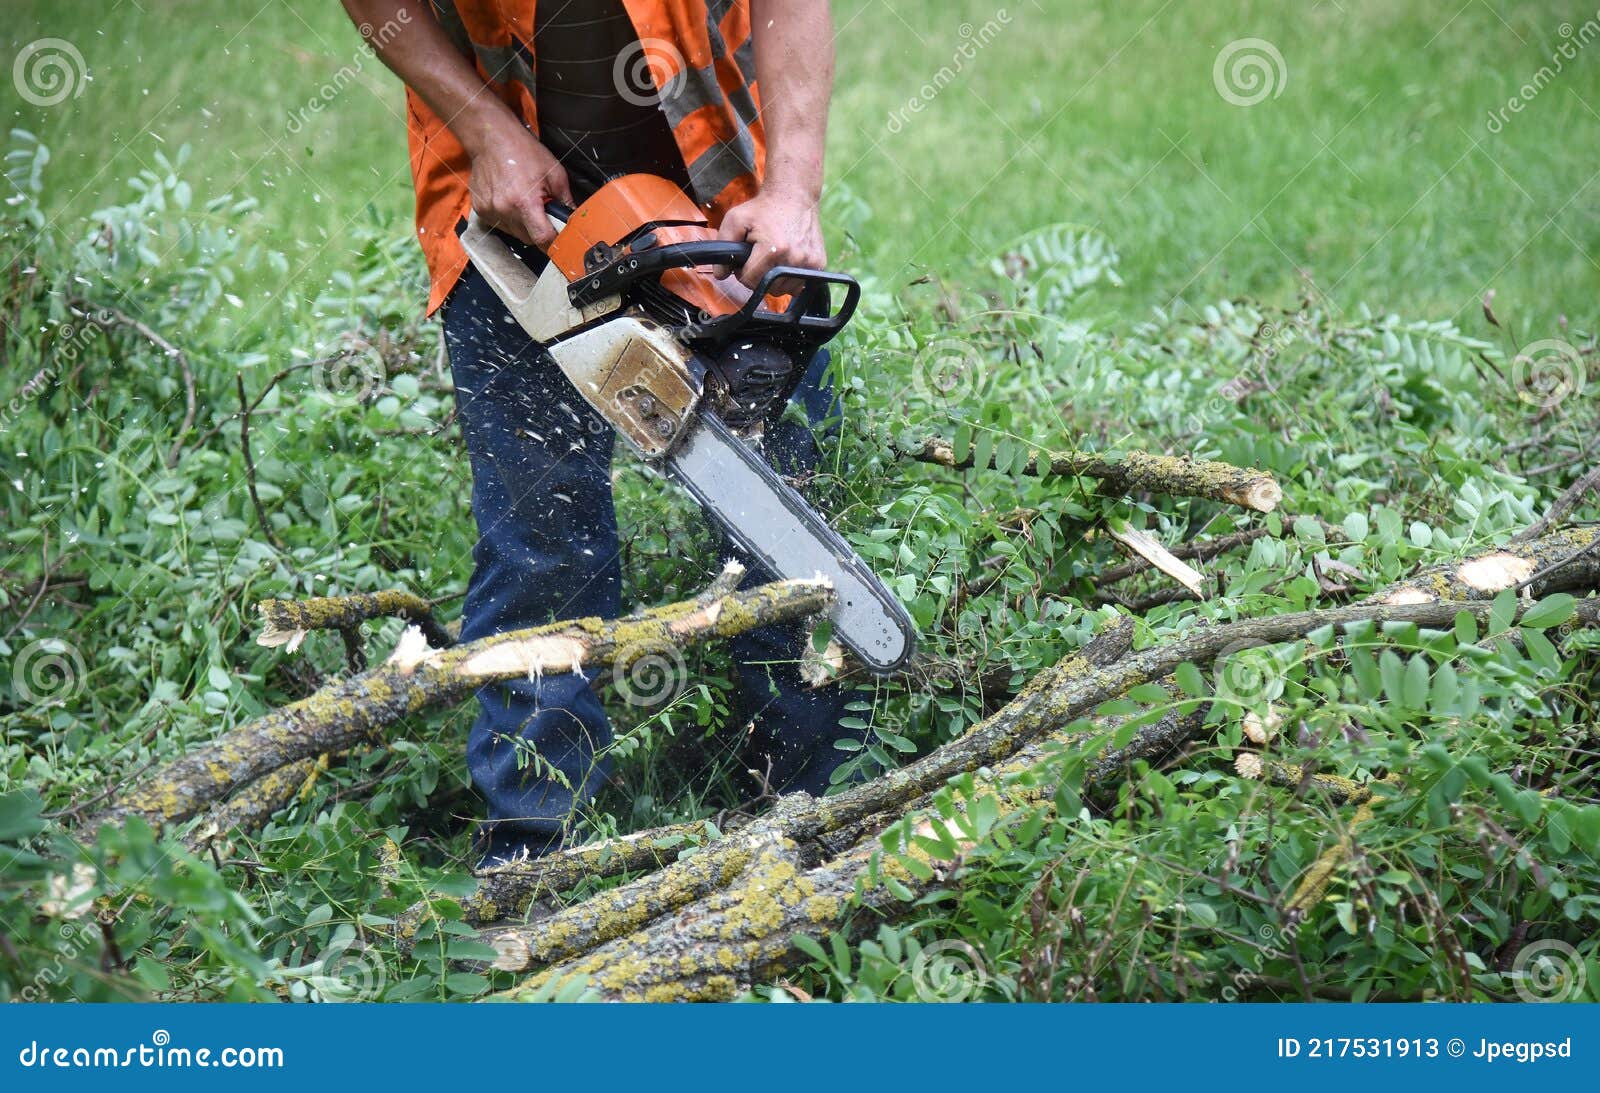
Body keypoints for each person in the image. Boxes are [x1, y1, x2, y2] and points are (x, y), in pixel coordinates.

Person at [340, 0, 861, 864]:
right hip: (506, 204)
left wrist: (793, 190)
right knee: (539, 539)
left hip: (718, 184)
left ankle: (812, 811)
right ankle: (535, 849)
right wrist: (483, 129)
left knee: (787, 513)